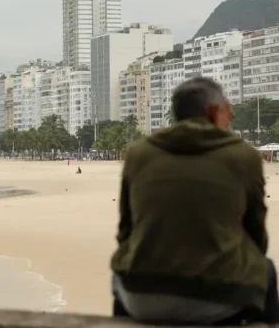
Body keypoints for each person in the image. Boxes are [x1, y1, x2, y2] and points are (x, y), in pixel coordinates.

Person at [111, 77, 277, 325]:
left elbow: (126, 231)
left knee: (122, 266)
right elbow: (257, 237)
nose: (231, 115)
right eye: (227, 109)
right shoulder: (245, 156)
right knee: (267, 270)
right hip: (220, 299)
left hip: (140, 296)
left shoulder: (138, 153)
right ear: (212, 112)